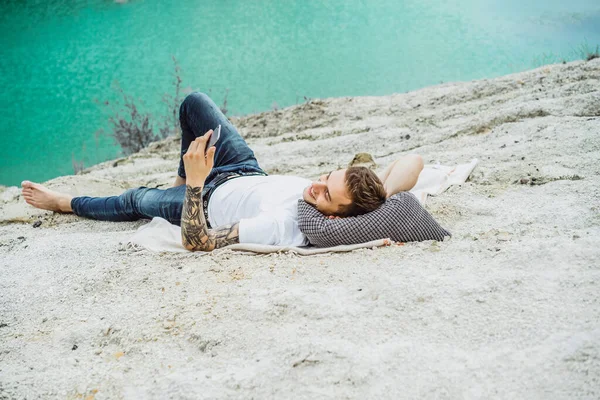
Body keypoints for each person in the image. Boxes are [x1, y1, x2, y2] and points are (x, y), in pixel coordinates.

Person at [21, 92, 423, 251]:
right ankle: (178, 178)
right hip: (244, 168)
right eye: (325, 177)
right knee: (194, 104)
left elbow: (197, 242)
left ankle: (65, 203)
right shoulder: (350, 196)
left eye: (325, 195)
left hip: (206, 199)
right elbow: (416, 162)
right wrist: (383, 196)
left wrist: (194, 186)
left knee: (135, 200)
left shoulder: (286, 226)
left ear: (334, 214)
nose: (316, 186)